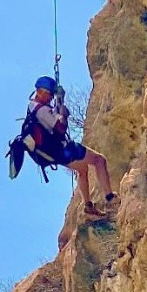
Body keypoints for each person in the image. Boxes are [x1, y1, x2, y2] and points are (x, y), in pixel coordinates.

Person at [30, 75, 117, 218]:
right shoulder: (41, 110)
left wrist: (60, 101)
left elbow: (52, 117)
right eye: (49, 95)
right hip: (63, 149)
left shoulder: (32, 107)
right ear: (40, 91)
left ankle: (88, 207)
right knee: (99, 160)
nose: (50, 98)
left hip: (55, 153)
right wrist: (64, 116)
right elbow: (60, 128)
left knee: (82, 170)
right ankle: (110, 199)